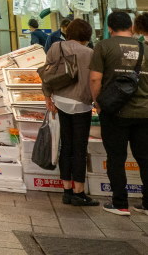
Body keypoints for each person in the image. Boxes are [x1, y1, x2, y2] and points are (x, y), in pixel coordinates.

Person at [90, 10, 148, 216]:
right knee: (145, 158)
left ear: (110, 28)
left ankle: (120, 203)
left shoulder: (103, 46)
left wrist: (98, 103)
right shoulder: (144, 47)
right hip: (144, 113)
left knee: (116, 157)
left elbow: (95, 79)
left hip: (114, 111)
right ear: (131, 27)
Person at [43, 18, 97, 207]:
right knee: (79, 148)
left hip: (60, 101)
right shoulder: (90, 53)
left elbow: (47, 74)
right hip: (82, 104)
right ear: (87, 35)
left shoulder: (55, 47)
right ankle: (79, 192)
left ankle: (66, 190)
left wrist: (47, 97)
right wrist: (97, 101)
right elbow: (94, 81)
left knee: (66, 146)